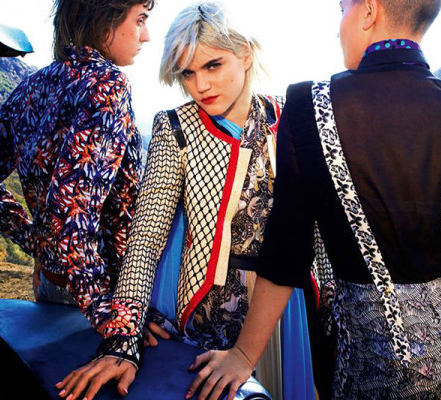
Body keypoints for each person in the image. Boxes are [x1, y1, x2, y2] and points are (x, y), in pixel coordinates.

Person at [185, 0, 441, 399]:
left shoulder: (309, 110)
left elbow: (288, 251)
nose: (339, 25)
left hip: (382, 363)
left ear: (369, 11)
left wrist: (244, 355)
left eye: (342, 9)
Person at [56, 3, 315, 400]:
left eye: (213, 65)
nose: (200, 85)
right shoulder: (174, 126)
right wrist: (122, 341)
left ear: (245, 55)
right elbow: (146, 239)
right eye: (187, 73)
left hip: (285, 310)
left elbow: (315, 226)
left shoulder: (292, 115)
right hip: (202, 314)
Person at [0, 0, 153, 330]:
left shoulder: (33, 85)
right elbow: (72, 205)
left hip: (54, 284)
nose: (146, 35)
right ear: (105, 20)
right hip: (106, 293)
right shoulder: (108, 84)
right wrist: (102, 307)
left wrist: (38, 244)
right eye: (140, 20)